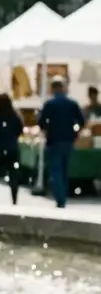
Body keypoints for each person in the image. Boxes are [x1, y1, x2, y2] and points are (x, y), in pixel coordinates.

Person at [38, 76, 85, 208]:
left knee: (56, 170)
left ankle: (60, 198)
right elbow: (81, 121)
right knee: (65, 169)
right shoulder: (72, 104)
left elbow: (41, 122)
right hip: (68, 140)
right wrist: (75, 132)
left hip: (54, 140)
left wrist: (47, 129)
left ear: (53, 88)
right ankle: (63, 195)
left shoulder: (49, 104)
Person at [0, 93, 24, 205]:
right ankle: (14, 199)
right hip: (12, 149)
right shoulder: (15, 117)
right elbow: (20, 131)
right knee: (13, 175)